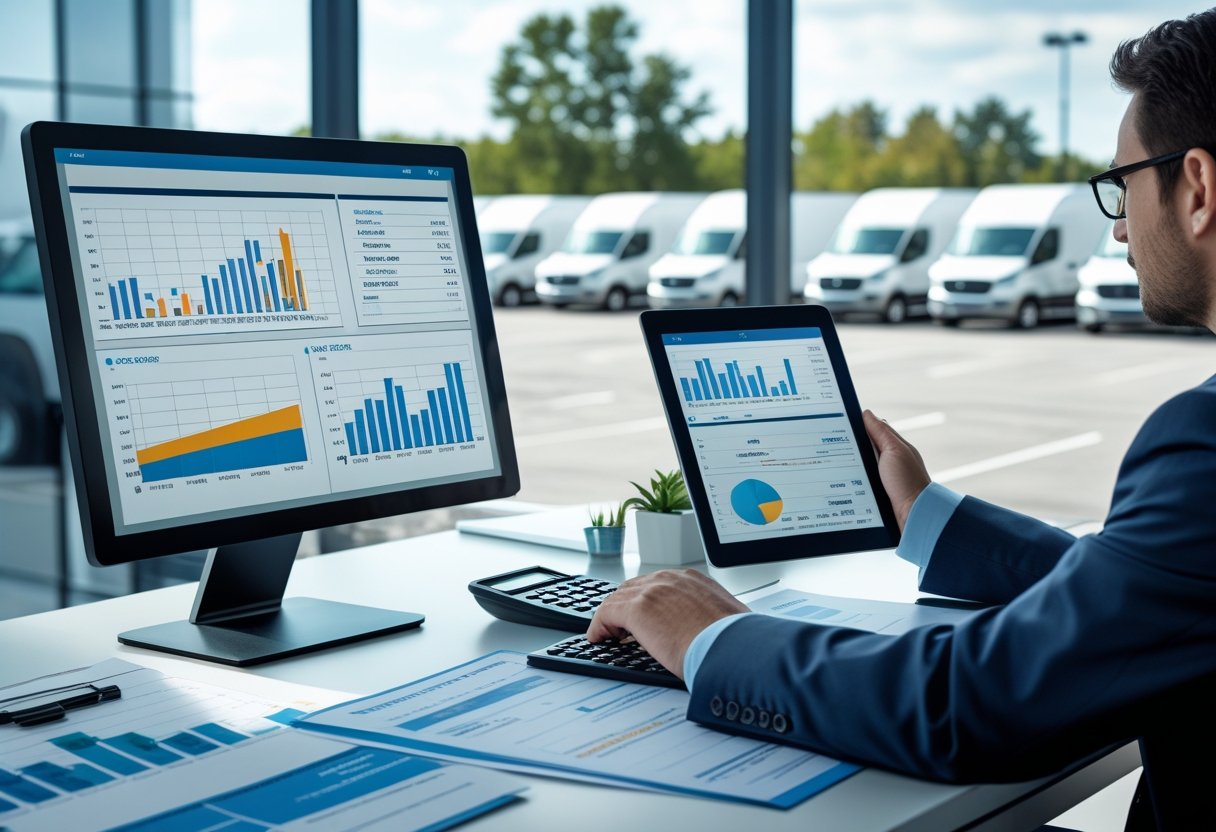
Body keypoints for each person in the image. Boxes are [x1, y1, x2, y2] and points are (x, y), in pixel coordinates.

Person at [587, 11, 1216, 830]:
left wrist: (714, 637)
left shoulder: (1202, 443)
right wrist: (926, 516)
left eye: (1123, 183)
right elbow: (1146, 592)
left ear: (1197, 189)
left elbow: (969, 706)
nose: (1121, 223)